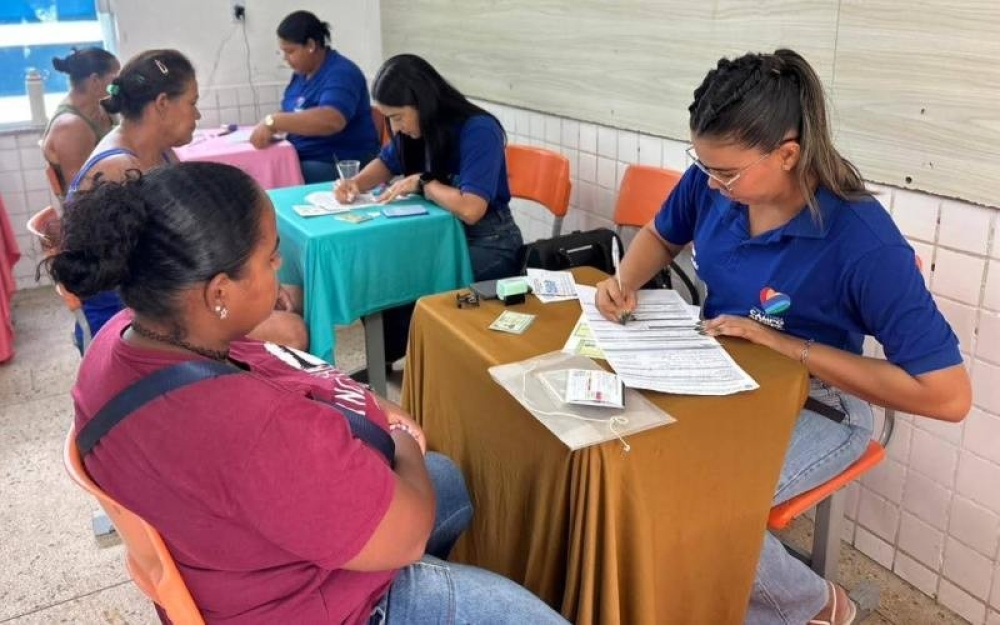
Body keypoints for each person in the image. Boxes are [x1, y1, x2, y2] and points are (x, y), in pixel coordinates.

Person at [47, 162, 567, 624]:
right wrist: (401, 434)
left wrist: (354, 405)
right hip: (308, 604)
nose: (280, 271)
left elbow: (280, 369)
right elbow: (407, 534)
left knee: (447, 480)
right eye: (271, 260)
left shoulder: (123, 336)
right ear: (219, 292)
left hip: (225, 562)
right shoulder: (252, 429)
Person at [595, 49, 971, 625]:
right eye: (703, 166)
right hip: (718, 373)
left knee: (697, 512)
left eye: (726, 172)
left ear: (788, 154)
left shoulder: (862, 241)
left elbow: (947, 395)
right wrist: (623, 281)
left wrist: (785, 345)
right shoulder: (712, 185)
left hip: (821, 403)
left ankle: (821, 606)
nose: (712, 184)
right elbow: (661, 234)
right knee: (626, 468)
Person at [67, 49, 307, 352]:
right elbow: (167, 268)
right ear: (163, 104)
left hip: (165, 297)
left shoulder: (161, 152)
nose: (197, 115)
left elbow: (191, 241)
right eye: (192, 103)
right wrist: (248, 292)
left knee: (294, 295)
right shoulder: (122, 168)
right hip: (131, 317)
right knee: (291, 331)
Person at [336, 54, 524, 370]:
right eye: (388, 119)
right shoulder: (413, 132)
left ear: (423, 102)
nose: (395, 127)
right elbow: (385, 164)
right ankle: (392, 358)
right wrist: (354, 183)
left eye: (398, 117)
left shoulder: (478, 130)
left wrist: (424, 184)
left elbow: (471, 208)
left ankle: (427, 365)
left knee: (414, 286)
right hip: (435, 236)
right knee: (379, 275)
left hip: (488, 241)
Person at [250, 10, 380, 183]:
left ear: (311, 45)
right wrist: (273, 129)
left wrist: (274, 121)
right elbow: (290, 110)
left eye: (290, 51)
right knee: (260, 169)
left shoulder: (341, 73)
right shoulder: (301, 75)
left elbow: (332, 119)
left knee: (271, 179)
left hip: (336, 163)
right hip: (303, 155)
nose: (285, 59)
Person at [40, 47, 119, 197]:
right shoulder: (70, 126)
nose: (119, 83)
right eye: (115, 77)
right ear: (95, 80)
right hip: (92, 211)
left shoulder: (101, 108)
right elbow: (81, 192)